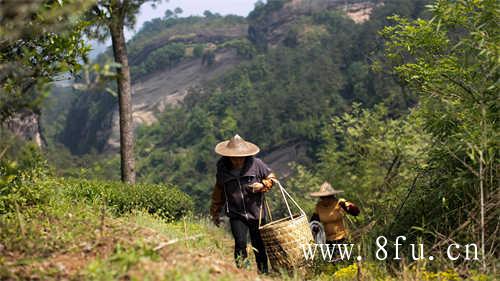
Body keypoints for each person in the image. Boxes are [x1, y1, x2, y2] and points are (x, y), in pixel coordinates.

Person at [210, 134, 277, 274]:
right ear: (228, 156)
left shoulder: (256, 164)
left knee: (258, 244)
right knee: (240, 243)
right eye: (233, 157)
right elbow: (219, 189)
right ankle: (242, 273)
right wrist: (215, 210)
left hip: (256, 213)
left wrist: (263, 185)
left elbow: (271, 178)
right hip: (236, 213)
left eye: (240, 157)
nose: (236, 160)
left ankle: (263, 273)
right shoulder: (222, 168)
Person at [309, 182, 360, 246]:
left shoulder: (339, 203)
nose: (325, 200)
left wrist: (347, 206)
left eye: (327, 197)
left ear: (331, 196)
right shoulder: (319, 207)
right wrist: (315, 228)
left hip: (343, 238)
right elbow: (314, 221)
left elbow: (356, 212)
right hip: (328, 241)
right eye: (322, 198)